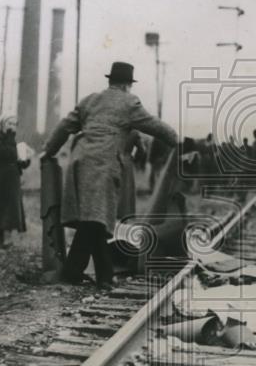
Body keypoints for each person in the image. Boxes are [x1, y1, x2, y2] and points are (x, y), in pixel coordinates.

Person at [42, 62, 177, 288]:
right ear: (127, 85)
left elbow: (65, 126)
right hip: (103, 166)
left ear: (111, 81)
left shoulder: (90, 100)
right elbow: (155, 126)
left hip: (79, 162)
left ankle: (77, 272)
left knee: (92, 221)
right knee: (96, 221)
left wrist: (49, 151)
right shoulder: (129, 103)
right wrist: (177, 140)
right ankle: (99, 276)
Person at [0, 115, 29, 250]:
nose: (12, 126)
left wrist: (26, 160)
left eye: (15, 124)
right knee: (2, 207)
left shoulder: (14, 142)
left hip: (13, 177)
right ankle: (1, 240)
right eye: (9, 123)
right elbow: (3, 155)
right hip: (4, 177)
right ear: (3, 124)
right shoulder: (0, 140)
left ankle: (6, 240)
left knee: (12, 208)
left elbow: (20, 162)